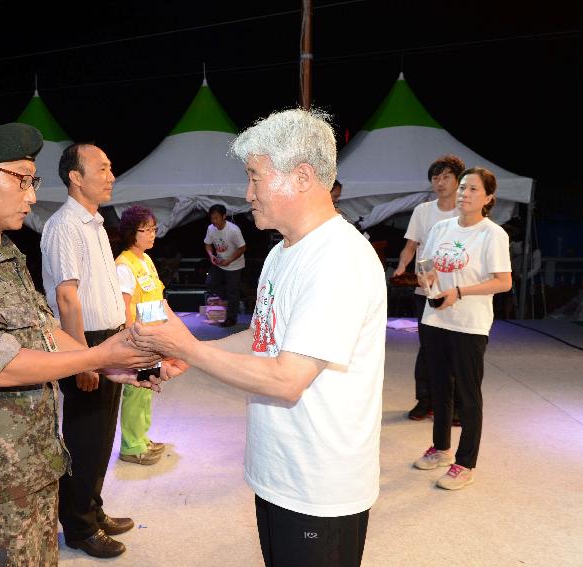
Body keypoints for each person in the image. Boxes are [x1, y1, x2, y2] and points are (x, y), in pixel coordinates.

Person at [132, 108, 387, 567]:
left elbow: (286, 378)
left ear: (303, 176)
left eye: (255, 177)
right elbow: (263, 337)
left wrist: (185, 345)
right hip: (278, 473)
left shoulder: (339, 258)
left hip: (317, 487)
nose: (247, 193)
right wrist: (192, 357)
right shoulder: (283, 251)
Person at [0, 122, 159, 567]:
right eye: (21, 179)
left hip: (37, 465)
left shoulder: (5, 255)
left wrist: (108, 366)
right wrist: (99, 354)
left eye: (33, 181)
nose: (30, 194)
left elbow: (46, 331)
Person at [40, 142, 132, 558]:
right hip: (84, 340)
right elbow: (67, 298)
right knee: (83, 436)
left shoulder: (93, 222)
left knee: (101, 436)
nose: (111, 175)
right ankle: (78, 527)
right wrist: (82, 356)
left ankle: (92, 509)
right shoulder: (64, 225)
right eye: (103, 168)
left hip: (106, 338)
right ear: (76, 177)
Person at [412, 167, 512, 490]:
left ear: (488, 198)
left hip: (469, 326)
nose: (464, 194)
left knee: (468, 396)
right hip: (435, 319)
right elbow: (424, 265)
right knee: (440, 389)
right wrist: (426, 279)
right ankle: (441, 449)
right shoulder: (442, 227)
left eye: (472, 190)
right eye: (463, 188)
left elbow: (504, 281)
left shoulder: (492, 234)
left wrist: (459, 292)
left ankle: (465, 463)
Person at [393, 154, 465, 421]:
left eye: (446, 176)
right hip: (425, 288)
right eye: (436, 178)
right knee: (428, 347)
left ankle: (455, 405)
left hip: (457, 290)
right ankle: (425, 400)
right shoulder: (423, 211)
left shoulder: (465, 211)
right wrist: (402, 266)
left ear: (458, 181)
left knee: (456, 348)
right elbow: (410, 246)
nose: (440, 182)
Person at [114, 205, 167, 466]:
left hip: (153, 339)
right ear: (130, 233)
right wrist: (131, 342)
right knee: (135, 393)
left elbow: (155, 299)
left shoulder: (146, 261)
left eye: (153, 229)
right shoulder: (124, 265)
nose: (151, 234)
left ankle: (142, 437)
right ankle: (131, 446)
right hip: (138, 341)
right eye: (145, 230)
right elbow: (124, 308)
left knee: (147, 390)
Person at [204, 203, 246, 327]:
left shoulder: (233, 230)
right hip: (220, 262)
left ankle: (231, 319)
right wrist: (211, 255)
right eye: (212, 218)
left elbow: (242, 248)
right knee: (210, 283)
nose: (214, 221)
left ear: (223, 216)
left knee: (233, 291)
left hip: (235, 265)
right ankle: (228, 298)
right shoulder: (211, 228)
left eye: (216, 217)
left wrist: (230, 260)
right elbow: (207, 244)